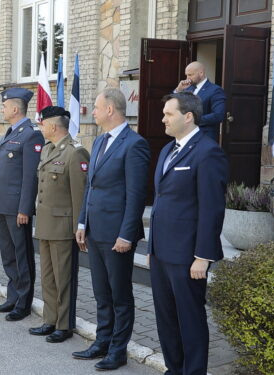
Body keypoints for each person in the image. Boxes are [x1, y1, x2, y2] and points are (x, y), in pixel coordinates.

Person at [149, 92, 227, 375]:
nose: (163, 119)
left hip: (187, 255)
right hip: (161, 252)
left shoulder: (208, 152)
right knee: (166, 319)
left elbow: (212, 208)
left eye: (169, 114)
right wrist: (152, 249)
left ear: (188, 116)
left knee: (190, 320)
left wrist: (203, 257)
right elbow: (160, 203)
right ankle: (174, 369)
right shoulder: (168, 150)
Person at [72, 88, 150, 371]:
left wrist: (127, 234)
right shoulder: (100, 141)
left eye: (96, 107)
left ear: (110, 110)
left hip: (117, 235)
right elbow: (91, 187)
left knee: (120, 295)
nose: (92, 111)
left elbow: (136, 194)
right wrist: (82, 223)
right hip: (95, 231)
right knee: (101, 293)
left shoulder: (134, 144)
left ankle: (118, 350)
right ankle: (102, 341)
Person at [29, 106, 89, 343]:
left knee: (64, 278)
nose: (41, 127)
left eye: (42, 123)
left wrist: (79, 228)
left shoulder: (75, 153)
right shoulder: (47, 150)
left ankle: (64, 325)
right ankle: (50, 319)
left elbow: (80, 195)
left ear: (53, 126)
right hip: (45, 224)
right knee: (48, 277)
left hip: (64, 228)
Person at [0, 88, 44, 321]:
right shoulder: (10, 133)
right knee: (8, 254)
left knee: (22, 255)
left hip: (16, 209)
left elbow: (30, 176)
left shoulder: (31, 134)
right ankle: (12, 297)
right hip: (2, 206)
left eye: (4, 106)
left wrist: (24, 208)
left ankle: (23, 302)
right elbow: (0, 174)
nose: (2, 109)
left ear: (14, 108)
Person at [174, 61, 226, 141]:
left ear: (201, 73)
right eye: (186, 75)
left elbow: (218, 115)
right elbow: (172, 104)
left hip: (205, 136)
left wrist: (194, 120)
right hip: (185, 136)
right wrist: (178, 90)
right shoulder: (187, 88)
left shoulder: (215, 90)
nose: (187, 78)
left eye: (190, 75)